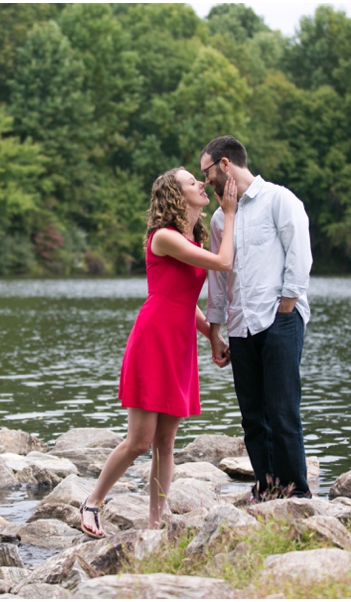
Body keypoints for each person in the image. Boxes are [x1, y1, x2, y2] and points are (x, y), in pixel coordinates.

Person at [79, 167, 238, 538]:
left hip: (179, 343)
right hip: (153, 338)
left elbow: (188, 302)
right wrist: (228, 214)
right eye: (191, 182)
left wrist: (212, 338)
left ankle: (155, 525)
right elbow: (224, 262)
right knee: (140, 440)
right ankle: (91, 502)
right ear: (175, 195)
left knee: (166, 444)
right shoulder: (163, 237)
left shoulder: (192, 240)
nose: (201, 184)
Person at [200, 135, 313, 500]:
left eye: (207, 172)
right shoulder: (220, 219)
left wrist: (287, 304)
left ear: (225, 165)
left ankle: (296, 494)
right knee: (252, 416)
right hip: (239, 325)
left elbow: (300, 253)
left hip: (279, 317)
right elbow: (218, 278)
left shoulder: (279, 200)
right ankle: (266, 488)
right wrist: (216, 329)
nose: (205, 181)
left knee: (282, 410)